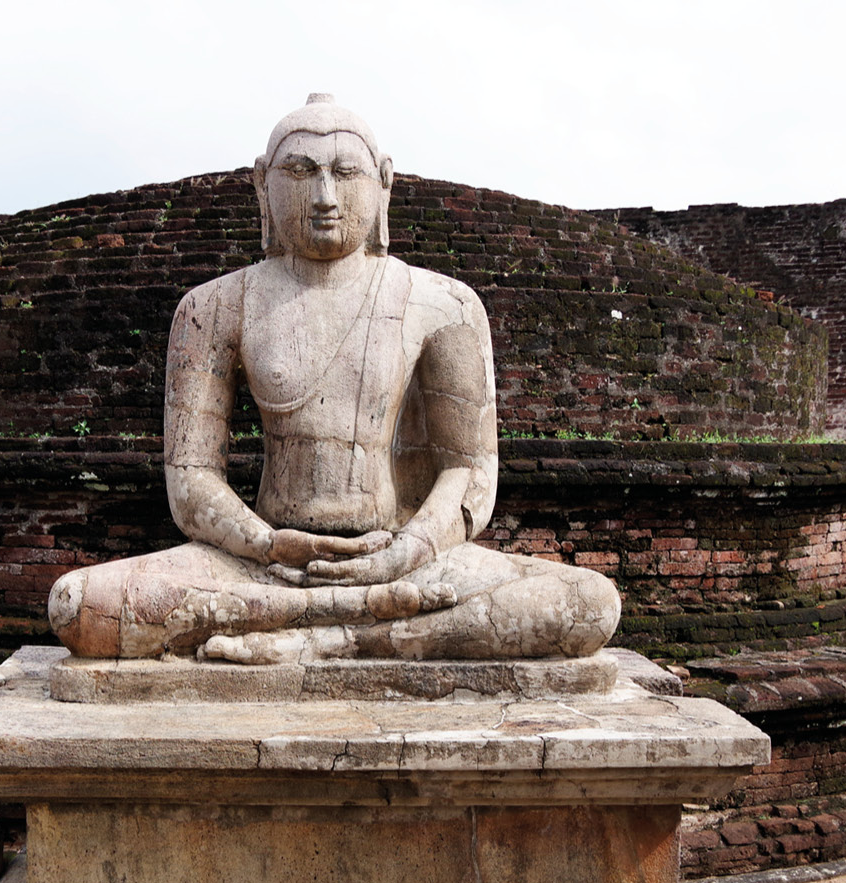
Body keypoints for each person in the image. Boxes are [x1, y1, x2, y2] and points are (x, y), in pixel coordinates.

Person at [48, 96, 619, 663]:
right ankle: (364, 626)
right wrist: (269, 544)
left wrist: (405, 553)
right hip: (262, 564)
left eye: (346, 173)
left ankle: (336, 639)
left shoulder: (443, 305)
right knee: (77, 605)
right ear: (261, 184)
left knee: (588, 604)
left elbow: (468, 471)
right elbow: (192, 481)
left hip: (400, 556)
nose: (324, 196)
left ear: (384, 183)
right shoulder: (214, 306)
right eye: (300, 172)